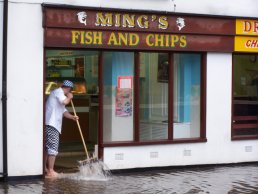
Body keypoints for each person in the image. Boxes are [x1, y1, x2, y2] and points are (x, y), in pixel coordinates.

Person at [45, 80, 78, 178]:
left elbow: (64, 111)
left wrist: (72, 117)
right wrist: (69, 97)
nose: (70, 92)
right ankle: (50, 171)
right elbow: (64, 102)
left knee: (47, 148)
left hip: (50, 124)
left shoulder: (57, 94)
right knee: (53, 147)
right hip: (52, 124)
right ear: (68, 89)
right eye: (70, 91)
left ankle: (45, 169)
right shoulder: (59, 92)